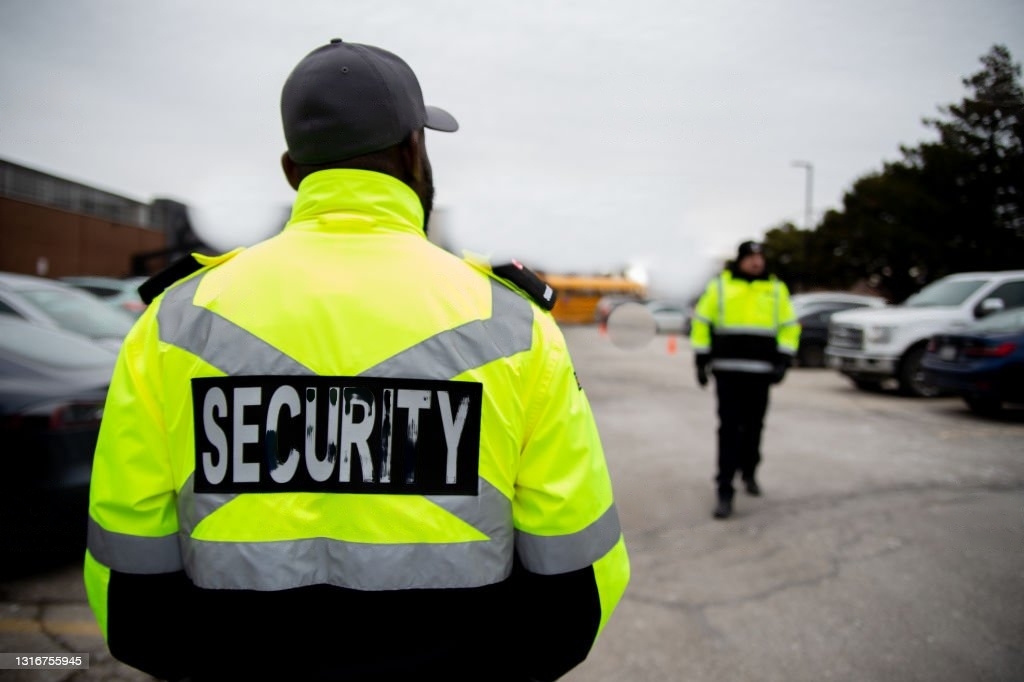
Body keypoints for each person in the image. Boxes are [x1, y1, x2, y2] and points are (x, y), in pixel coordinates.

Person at [84, 38, 629, 681]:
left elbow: (130, 587)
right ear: (414, 150)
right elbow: (577, 582)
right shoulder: (512, 323)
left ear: (293, 170)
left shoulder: (173, 321)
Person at [689, 240, 799, 520]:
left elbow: (789, 326)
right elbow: (702, 321)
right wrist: (701, 360)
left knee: (754, 428)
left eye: (760, 256)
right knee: (728, 430)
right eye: (751, 257)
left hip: (761, 373)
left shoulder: (776, 289)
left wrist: (784, 360)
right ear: (739, 260)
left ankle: (749, 471)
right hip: (727, 372)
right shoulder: (721, 287)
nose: (756, 262)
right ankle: (725, 489)